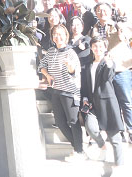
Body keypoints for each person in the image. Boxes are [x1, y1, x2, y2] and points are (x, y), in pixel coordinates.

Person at [89, 3, 132, 144]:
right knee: (114, 102)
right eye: (98, 10)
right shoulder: (93, 29)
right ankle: (120, 131)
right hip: (104, 70)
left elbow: (127, 35)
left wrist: (121, 28)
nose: (102, 12)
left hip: (120, 69)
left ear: (111, 12)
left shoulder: (118, 25)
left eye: (104, 10)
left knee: (126, 101)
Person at [39, 24, 84, 161]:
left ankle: (79, 151)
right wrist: (47, 75)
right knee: (59, 122)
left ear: (66, 36)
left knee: (73, 121)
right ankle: (78, 148)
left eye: (60, 34)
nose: (57, 37)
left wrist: (70, 67)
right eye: (54, 34)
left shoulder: (71, 53)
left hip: (70, 92)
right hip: (56, 91)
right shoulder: (51, 51)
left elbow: (74, 72)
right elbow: (41, 66)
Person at [81, 36, 125, 166]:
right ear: (91, 48)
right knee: (90, 127)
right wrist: (85, 98)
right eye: (95, 46)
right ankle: (102, 146)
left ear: (105, 48)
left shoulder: (108, 63)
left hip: (107, 103)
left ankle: (119, 164)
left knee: (114, 137)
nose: (97, 49)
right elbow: (85, 84)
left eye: (100, 46)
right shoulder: (88, 65)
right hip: (92, 103)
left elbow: (107, 77)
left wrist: (109, 64)